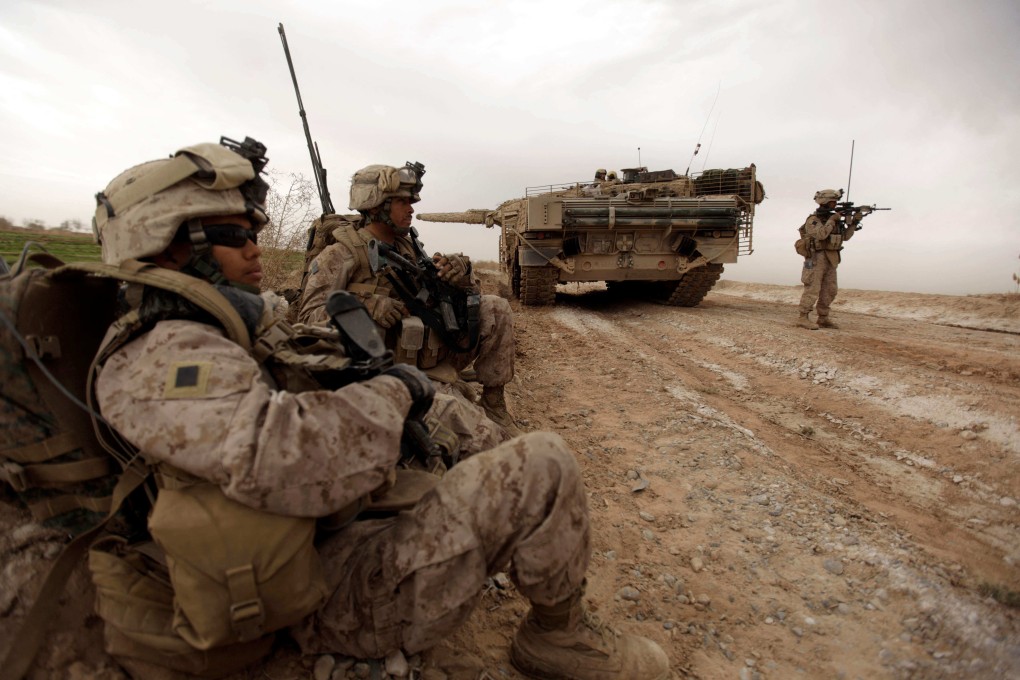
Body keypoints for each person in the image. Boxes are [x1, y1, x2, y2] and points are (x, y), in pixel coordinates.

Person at [88, 138, 671, 680]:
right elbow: (290, 447)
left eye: (254, 231)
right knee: (543, 465)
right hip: (325, 593)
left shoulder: (204, 330)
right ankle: (557, 636)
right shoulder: (164, 355)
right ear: (169, 241)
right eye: (233, 234)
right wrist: (393, 389)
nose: (253, 246)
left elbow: (293, 379)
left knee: (470, 428)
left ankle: (519, 527)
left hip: (320, 539)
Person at [297, 163, 521, 434]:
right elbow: (308, 319)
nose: (411, 208)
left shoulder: (408, 247)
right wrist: (365, 307)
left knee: (495, 307)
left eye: (411, 201)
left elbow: (449, 296)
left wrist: (460, 274)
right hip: (385, 371)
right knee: (480, 437)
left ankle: (494, 403)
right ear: (375, 205)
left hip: (432, 354)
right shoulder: (340, 254)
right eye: (402, 202)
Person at [796, 188, 864, 330]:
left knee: (830, 289)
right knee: (812, 288)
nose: (835, 205)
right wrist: (832, 220)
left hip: (831, 257)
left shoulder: (833, 220)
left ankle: (823, 317)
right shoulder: (813, 220)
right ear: (825, 202)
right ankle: (803, 317)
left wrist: (853, 224)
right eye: (833, 202)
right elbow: (821, 235)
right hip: (815, 257)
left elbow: (845, 237)